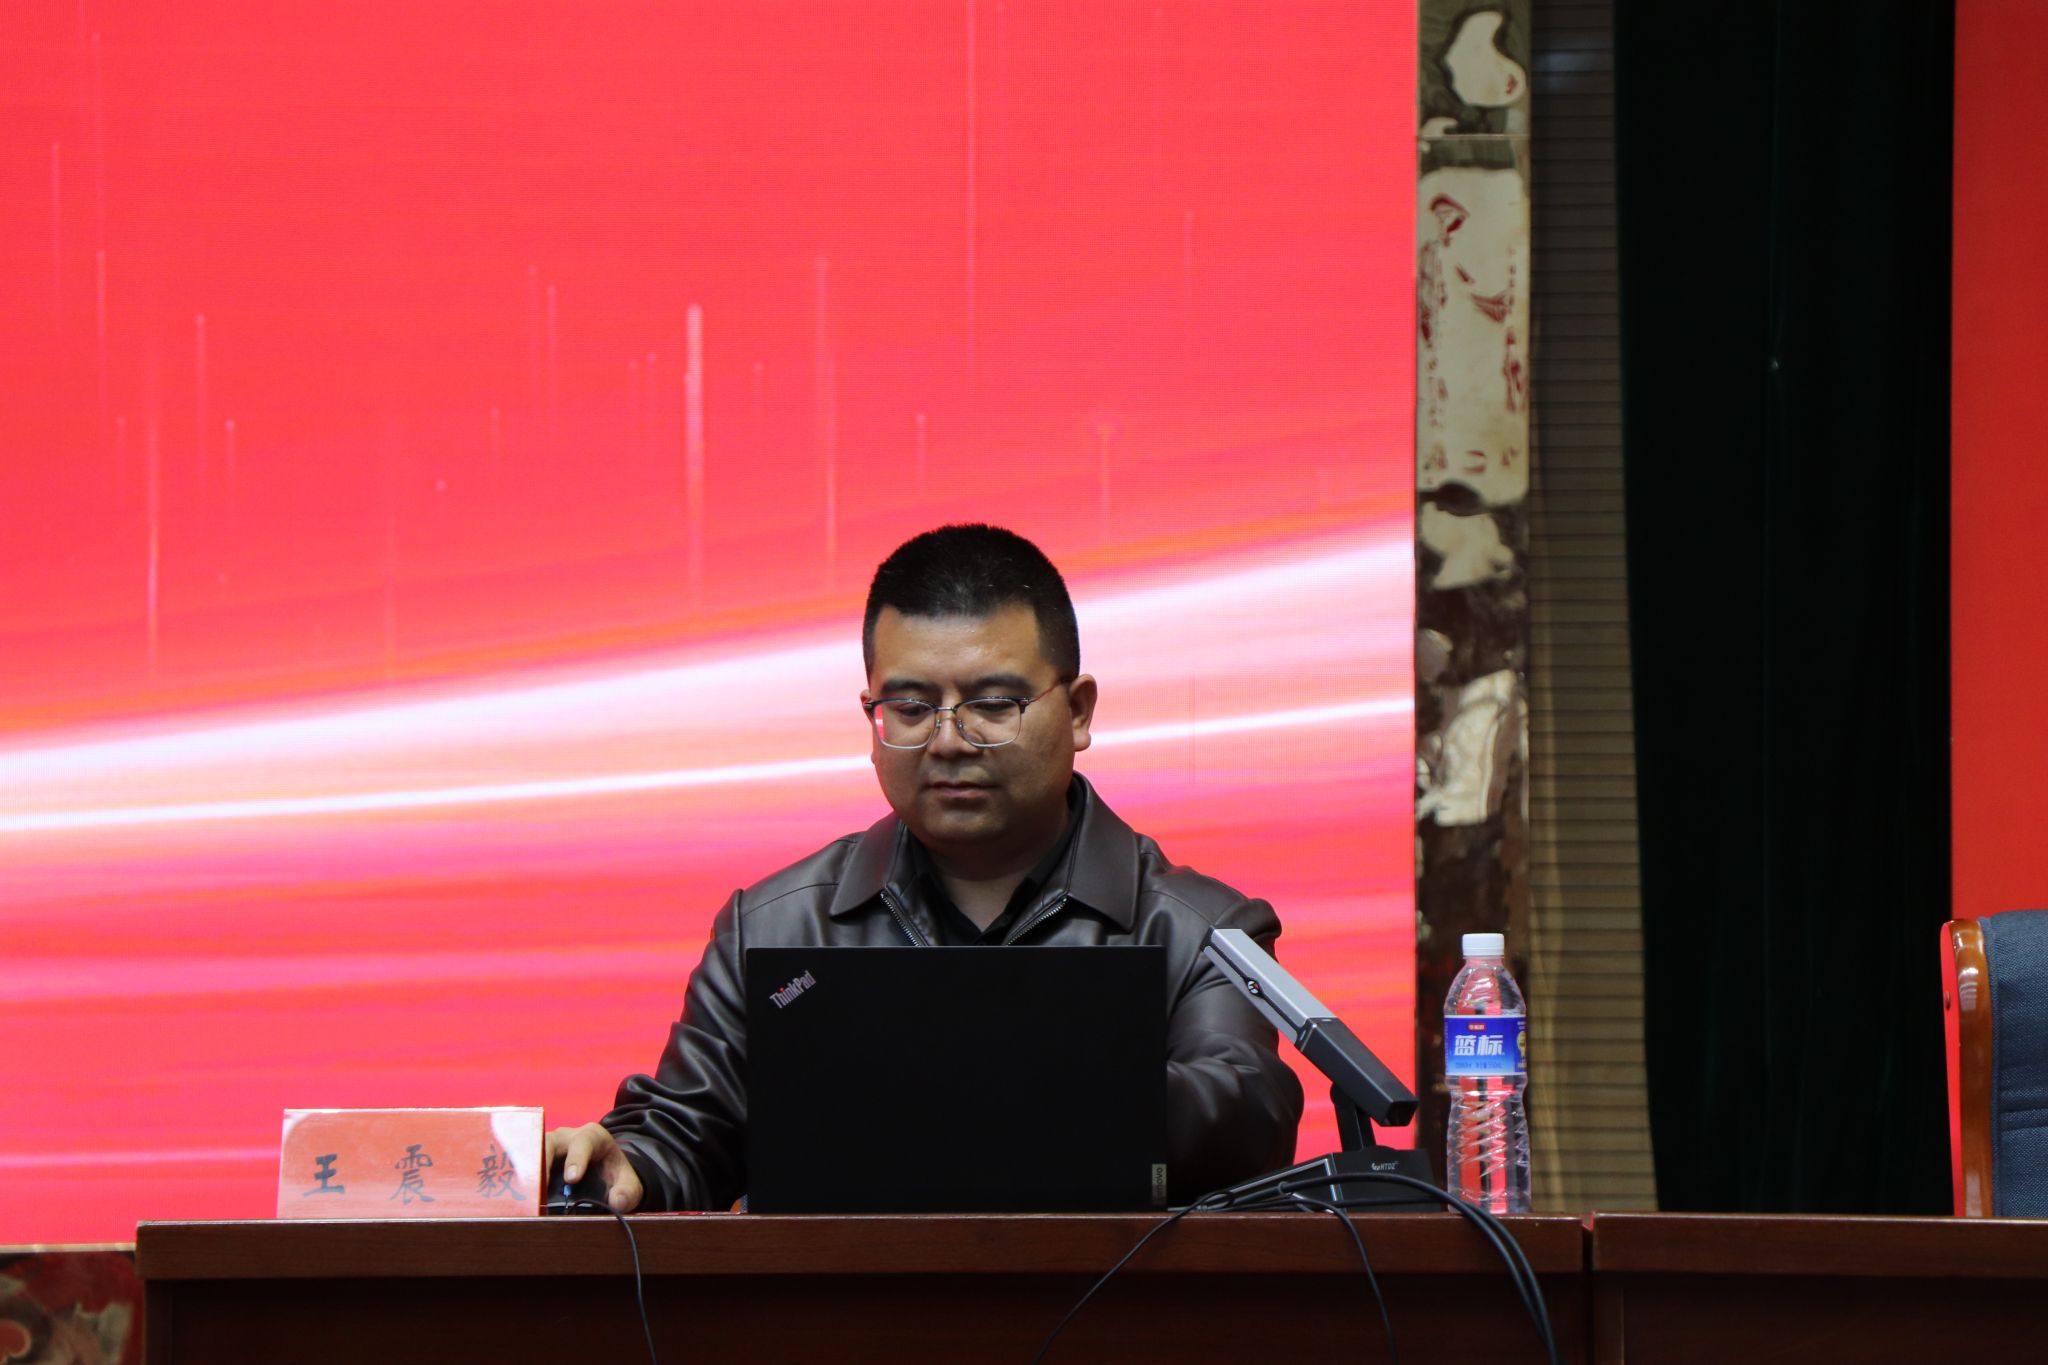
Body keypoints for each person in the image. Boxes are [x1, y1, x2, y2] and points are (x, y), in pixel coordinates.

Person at [546, 524, 1303, 1209]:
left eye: (993, 704)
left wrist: (990, 1073)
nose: (947, 740)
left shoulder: (1201, 930)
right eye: (910, 708)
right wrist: (625, 1166)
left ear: (1078, 711)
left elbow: (1245, 1123)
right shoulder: (777, 926)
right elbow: (687, 1137)